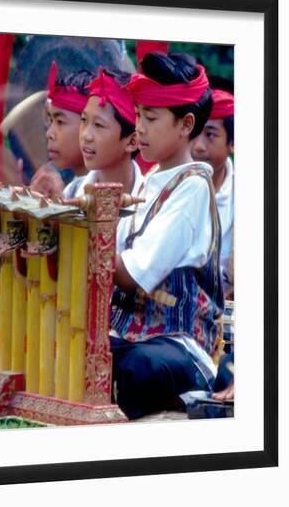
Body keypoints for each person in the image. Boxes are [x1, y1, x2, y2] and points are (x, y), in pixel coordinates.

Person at [108, 52, 225, 420]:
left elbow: (129, 276)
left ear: (186, 124)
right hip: (130, 337)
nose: (138, 127)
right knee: (76, 347)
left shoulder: (193, 187)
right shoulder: (150, 183)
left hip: (181, 345)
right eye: (138, 115)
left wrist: (83, 239)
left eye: (151, 118)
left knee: (138, 368)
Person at [63, 68, 143, 244]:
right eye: (84, 120)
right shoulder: (71, 192)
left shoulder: (149, 205)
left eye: (99, 125)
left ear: (132, 141)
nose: (86, 135)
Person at [191, 88, 234, 298]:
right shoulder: (167, 181)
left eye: (210, 135)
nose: (198, 146)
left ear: (233, 143)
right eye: (195, 132)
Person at [29, 61, 94, 198]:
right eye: (51, 121)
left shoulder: (108, 196)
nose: (49, 134)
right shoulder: (72, 188)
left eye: (60, 122)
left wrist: (59, 208)